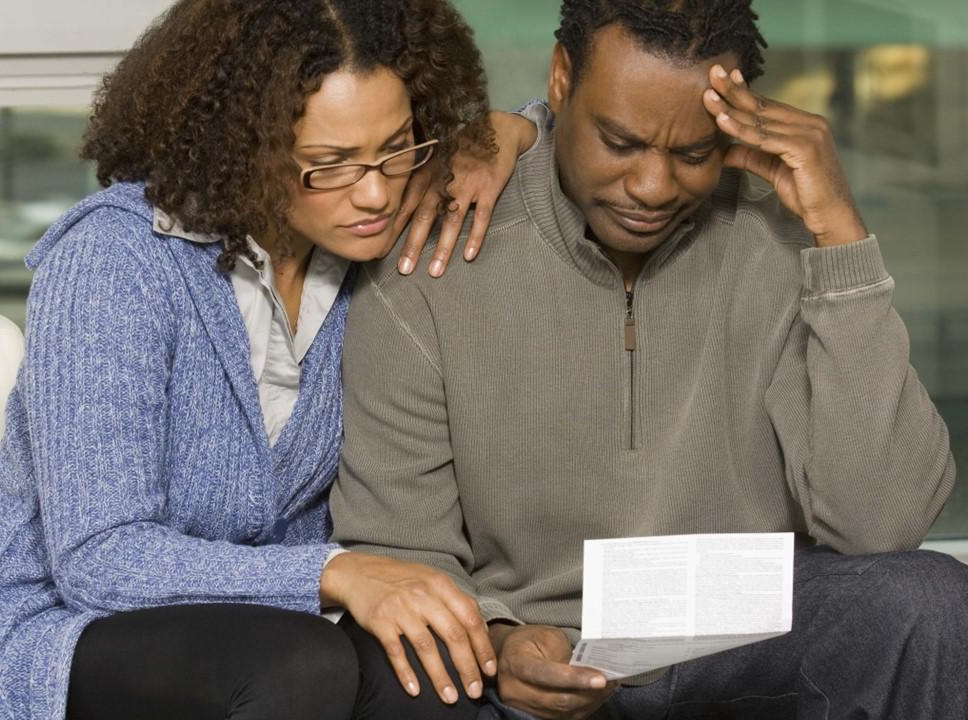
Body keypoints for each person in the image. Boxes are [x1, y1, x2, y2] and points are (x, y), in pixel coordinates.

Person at [0, 1, 546, 719]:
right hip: (48, 634)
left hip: (269, 629)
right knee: (300, 666)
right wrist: (338, 572)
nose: (376, 191)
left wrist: (509, 130)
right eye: (327, 166)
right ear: (245, 146)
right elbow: (98, 558)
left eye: (397, 147)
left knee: (438, 681)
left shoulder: (375, 239)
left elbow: (579, 125)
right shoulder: (116, 263)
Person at [330, 1, 966, 718]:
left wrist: (838, 235)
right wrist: (502, 641)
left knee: (930, 603)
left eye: (692, 153)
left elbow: (884, 527)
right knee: (405, 676)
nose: (653, 187)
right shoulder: (433, 259)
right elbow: (403, 553)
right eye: (620, 141)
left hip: (743, 648)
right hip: (532, 663)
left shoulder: (782, 248)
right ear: (561, 80)